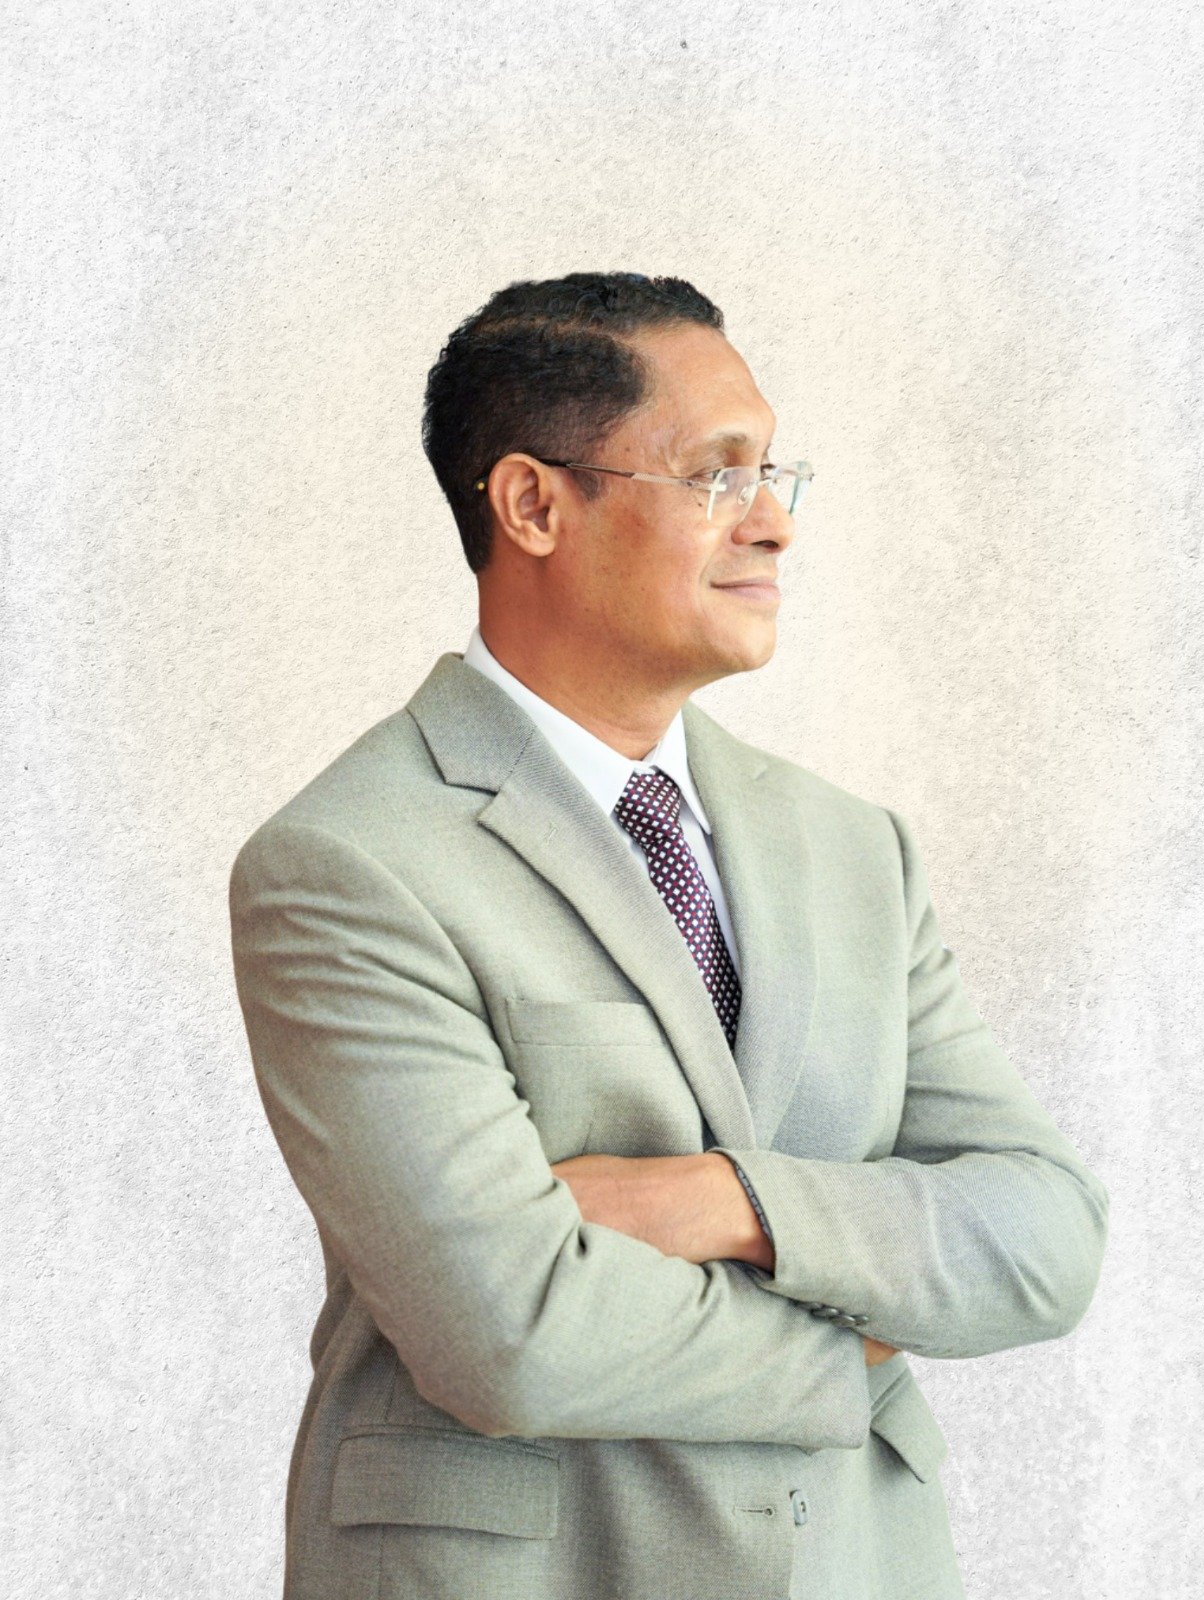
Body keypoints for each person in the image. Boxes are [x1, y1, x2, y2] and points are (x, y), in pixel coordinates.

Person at [228, 271, 1109, 1600]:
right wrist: (861, 1345)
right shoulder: (350, 864)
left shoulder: (853, 850)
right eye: (716, 474)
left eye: (775, 473)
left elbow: (1044, 1231)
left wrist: (730, 1204)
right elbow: (510, 1332)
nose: (775, 522)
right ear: (533, 505)